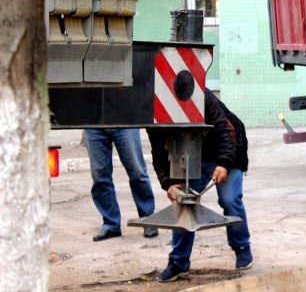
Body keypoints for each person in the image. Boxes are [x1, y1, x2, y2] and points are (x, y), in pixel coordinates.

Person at [151, 91, 252, 282]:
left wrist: (224, 163)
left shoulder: (202, 97)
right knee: (184, 200)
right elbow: (158, 151)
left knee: (229, 199)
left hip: (228, 150)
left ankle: (241, 246)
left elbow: (226, 132)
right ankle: (179, 262)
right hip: (194, 156)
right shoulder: (156, 110)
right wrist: (169, 183)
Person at [84, 127, 157, 241]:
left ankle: (148, 220)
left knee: (138, 173)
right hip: (94, 122)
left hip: (126, 120)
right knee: (99, 177)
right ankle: (111, 224)